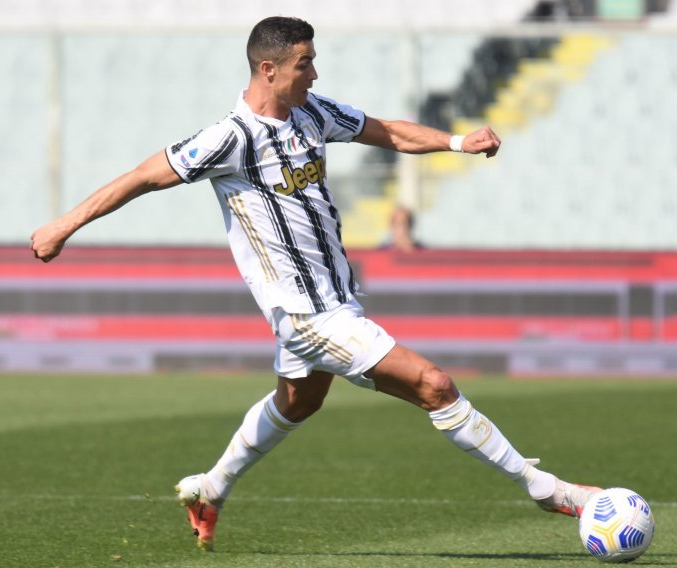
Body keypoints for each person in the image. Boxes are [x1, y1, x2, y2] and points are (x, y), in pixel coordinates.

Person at [30, 16, 600, 552]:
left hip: (336, 299)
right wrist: (62, 226)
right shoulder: (231, 138)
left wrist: (456, 142)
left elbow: (386, 131)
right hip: (305, 314)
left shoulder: (311, 113)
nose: (315, 73)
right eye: (304, 63)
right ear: (268, 70)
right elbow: (141, 177)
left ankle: (211, 487)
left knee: (299, 401)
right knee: (435, 385)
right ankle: (548, 490)